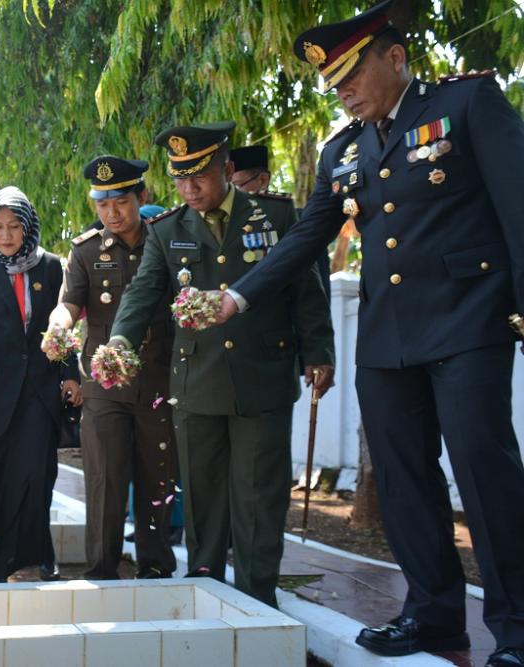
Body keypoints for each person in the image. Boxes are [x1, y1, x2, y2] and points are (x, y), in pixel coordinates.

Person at [209, 2, 524, 663]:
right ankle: (434, 613)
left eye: (351, 76)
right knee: (407, 481)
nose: (343, 92)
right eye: (334, 86)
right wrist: (239, 294)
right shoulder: (343, 150)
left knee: (485, 475)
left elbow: (519, 204)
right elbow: (305, 240)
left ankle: (518, 627)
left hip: (469, 324)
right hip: (386, 340)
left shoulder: (466, 105)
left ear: (395, 57)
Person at [108, 122, 335, 607]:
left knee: (258, 495)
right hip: (198, 381)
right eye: (179, 179)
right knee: (205, 497)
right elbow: (142, 296)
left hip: (263, 377)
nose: (189, 189)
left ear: (227, 170)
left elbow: (305, 289)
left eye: (199, 177)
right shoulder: (168, 230)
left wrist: (318, 350)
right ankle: (208, 594)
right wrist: (119, 343)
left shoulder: (274, 216)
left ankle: (258, 595)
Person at [44, 155, 178, 580]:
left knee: (157, 478)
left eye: (120, 202)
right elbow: (70, 302)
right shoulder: (85, 250)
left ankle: (155, 565)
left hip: (159, 378)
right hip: (102, 383)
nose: (112, 213)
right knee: (104, 478)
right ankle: (101, 568)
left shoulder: (167, 238)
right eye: (102, 205)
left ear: (140, 197)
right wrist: (58, 325)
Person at [0, 186, 82, 583]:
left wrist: (69, 373)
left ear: (27, 227)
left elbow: (60, 327)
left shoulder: (50, 266)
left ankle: (35, 558)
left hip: (38, 390)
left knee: (35, 474)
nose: (6, 235)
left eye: (14, 226)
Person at [230, 144, 332, 299]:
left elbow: (316, 285)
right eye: (228, 187)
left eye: (237, 185)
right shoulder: (224, 224)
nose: (232, 195)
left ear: (263, 180)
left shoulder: (297, 221)